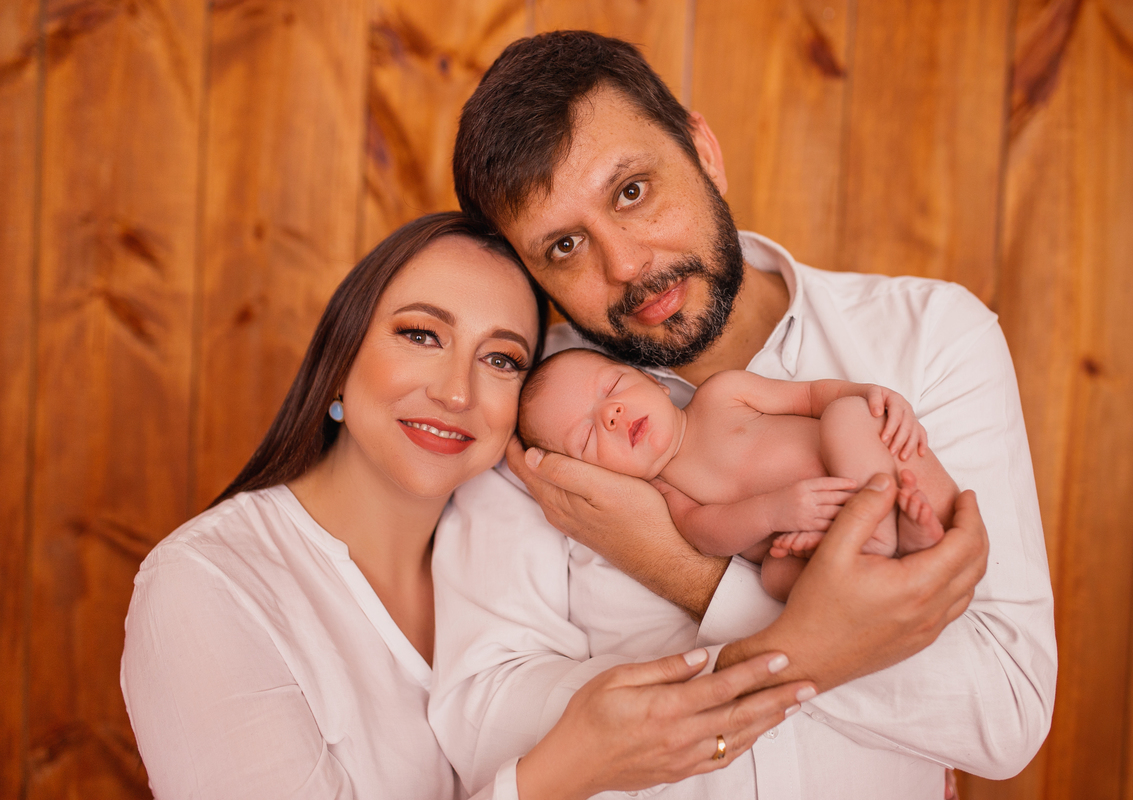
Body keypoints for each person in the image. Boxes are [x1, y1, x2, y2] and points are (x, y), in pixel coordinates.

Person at [430, 30, 1057, 798]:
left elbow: (1005, 709)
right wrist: (832, 647)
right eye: (564, 245)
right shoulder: (538, 424)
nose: (625, 265)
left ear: (704, 152)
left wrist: (683, 572)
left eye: (632, 191)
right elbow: (483, 720)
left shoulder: (931, 339)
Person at [119, 213, 822, 800]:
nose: (458, 392)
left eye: (502, 360)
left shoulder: (517, 556)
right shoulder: (206, 588)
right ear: (341, 353)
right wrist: (566, 768)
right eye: (421, 335)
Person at [516, 348, 958, 601]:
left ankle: (882, 528)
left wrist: (872, 395)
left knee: (845, 414)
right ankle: (899, 550)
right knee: (774, 577)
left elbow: (810, 396)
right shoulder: (664, 492)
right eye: (588, 437)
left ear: (655, 381)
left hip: (869, 473)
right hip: (817, 536)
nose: (611, 415)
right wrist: (773, 512)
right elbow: (705, 534)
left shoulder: (722, 394)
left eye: (613, 388)